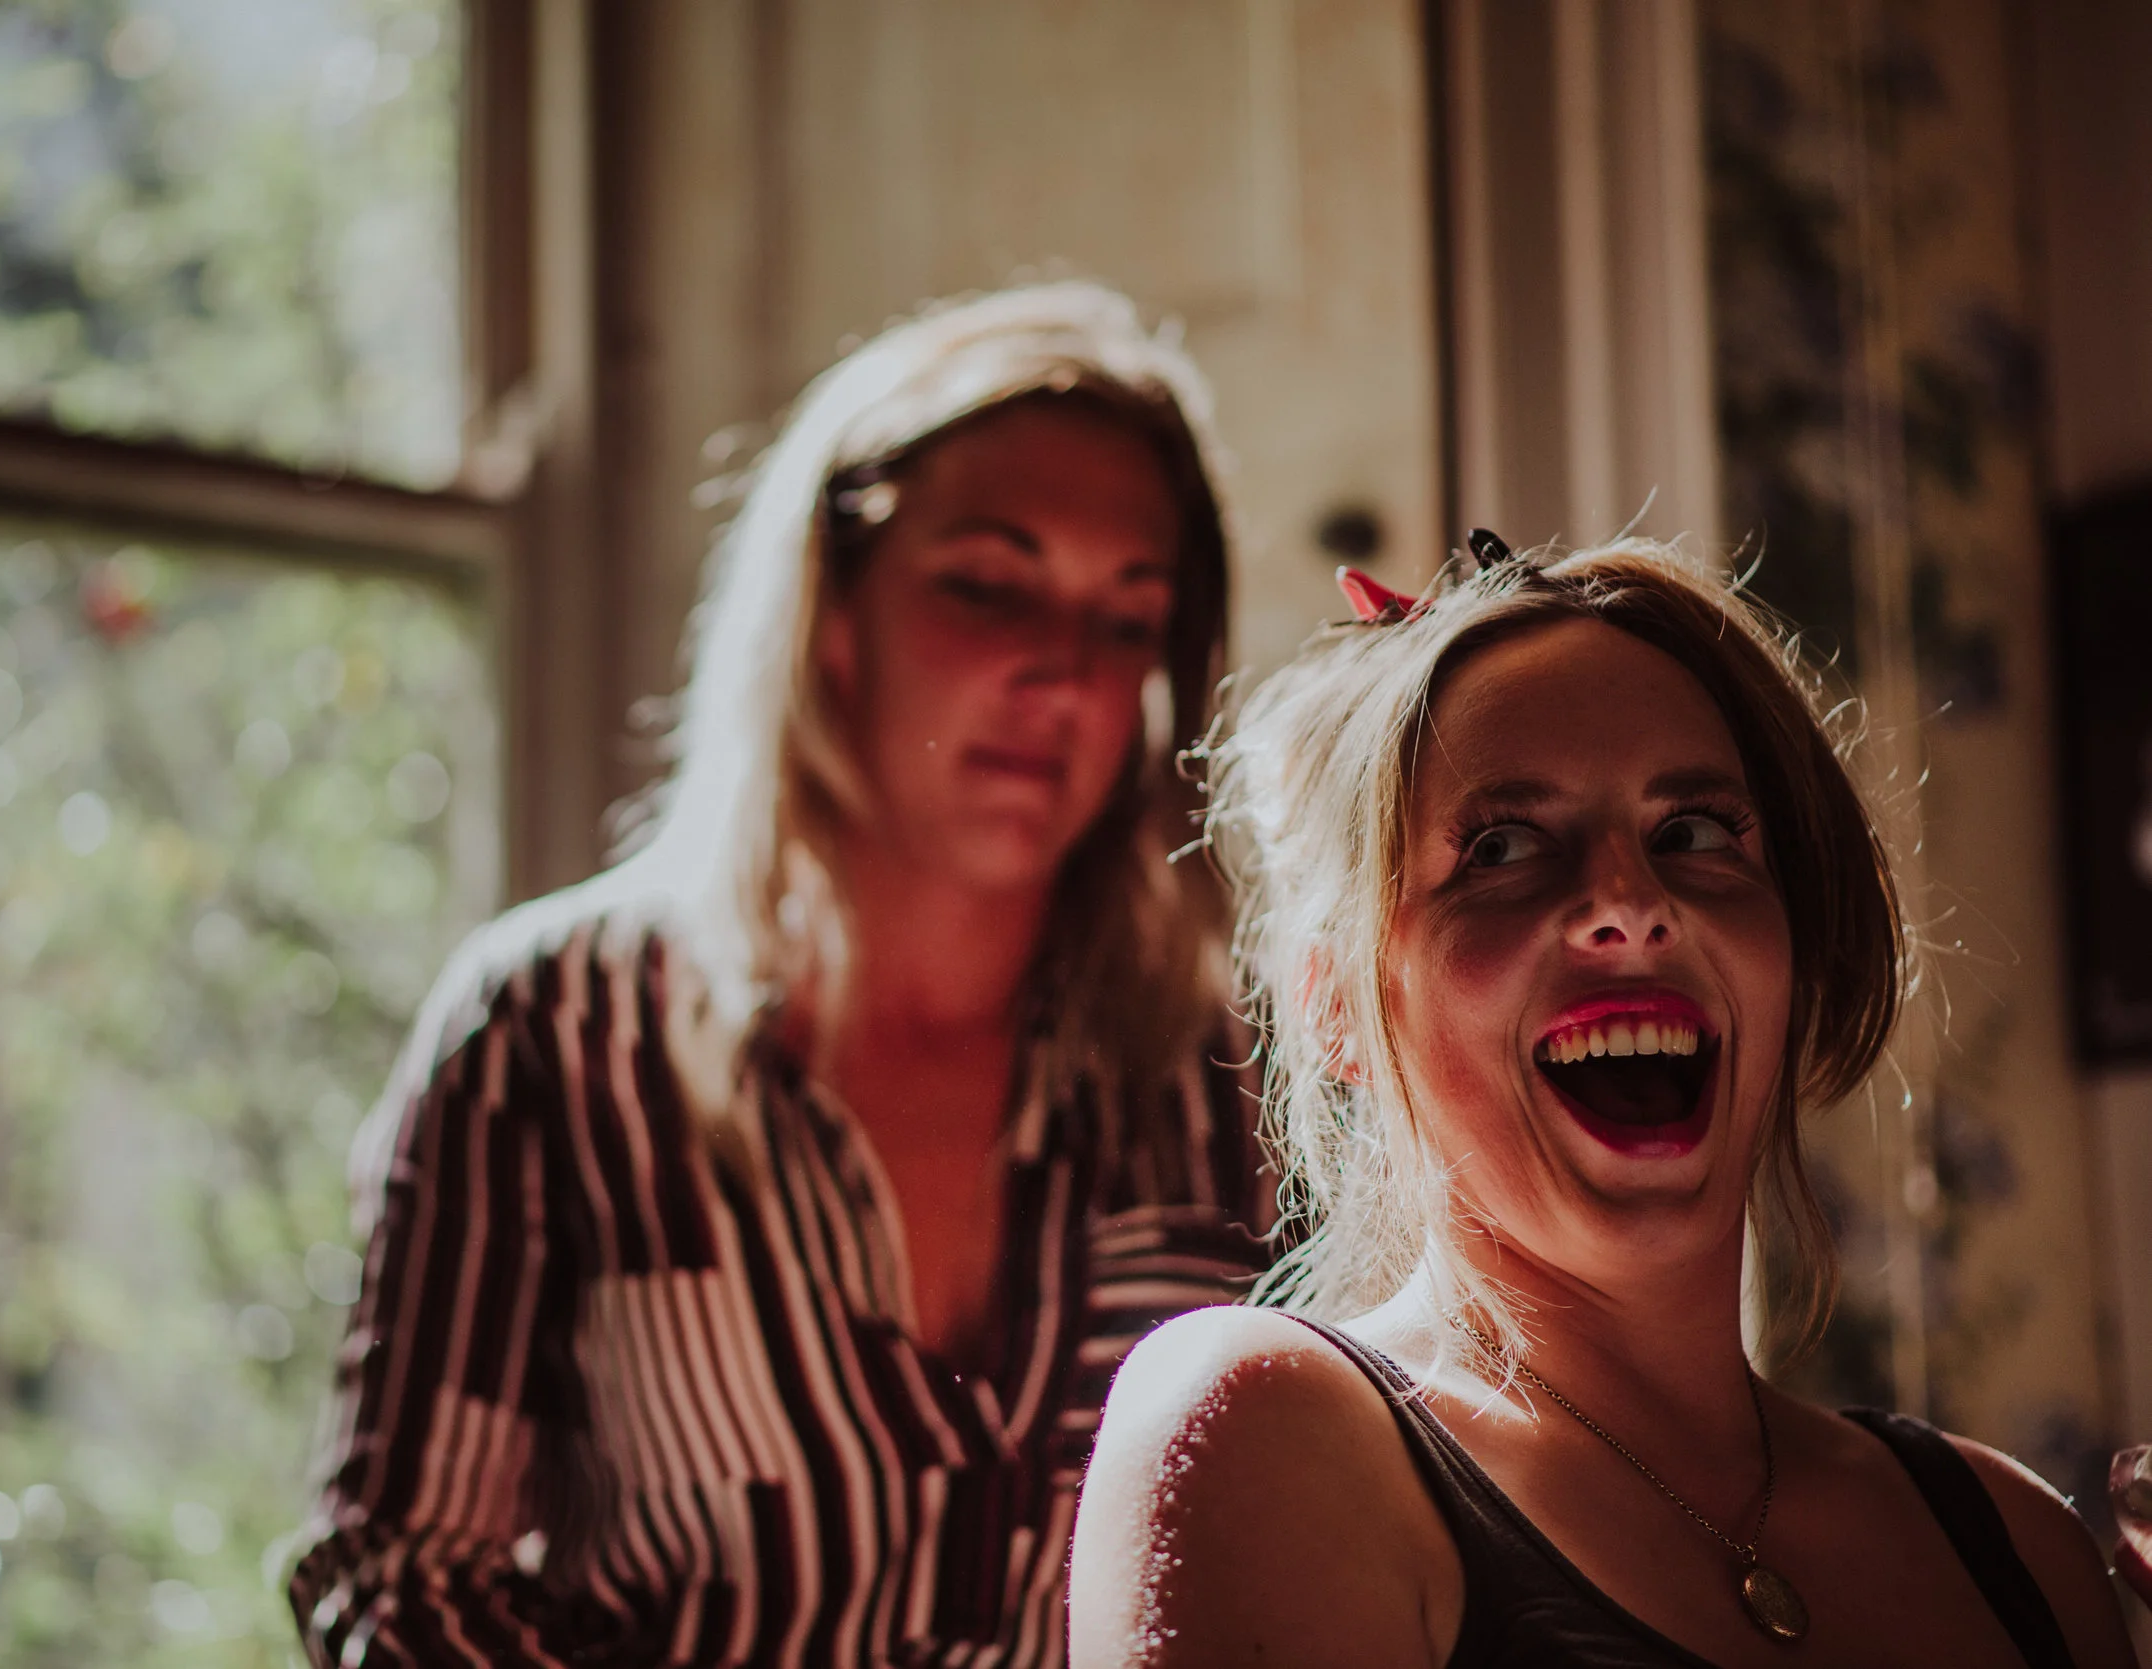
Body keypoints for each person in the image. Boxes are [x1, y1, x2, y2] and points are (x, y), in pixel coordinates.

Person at [287, 283, 1273, 1667]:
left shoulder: (1229, 1071)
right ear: (832, 615)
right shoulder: (550, 1034)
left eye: (1125, 619)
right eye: (989, 587)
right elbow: (397, 1576)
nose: (1060, 674)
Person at [1068, 537, 2137, 1667]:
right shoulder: (1265, 1428)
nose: (1629, 902)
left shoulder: (2023, 1547)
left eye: (1694, 833)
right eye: (1502, 846)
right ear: (1334, 1003)